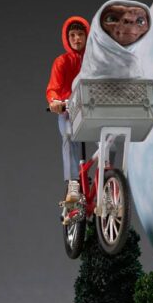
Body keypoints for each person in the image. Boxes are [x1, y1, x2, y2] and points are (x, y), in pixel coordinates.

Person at [46, 16, 90, 204]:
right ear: (67, 38)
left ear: (87, 36)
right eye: (72, 35)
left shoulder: (93, 61)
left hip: (91, 108)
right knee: (69, 135)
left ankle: (109, 173)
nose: (77, 38)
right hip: (69, 109)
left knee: (109, 137)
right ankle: (73, 181)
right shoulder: (62, 62)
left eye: (80, 34)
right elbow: (53, 87)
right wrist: (55, 101)